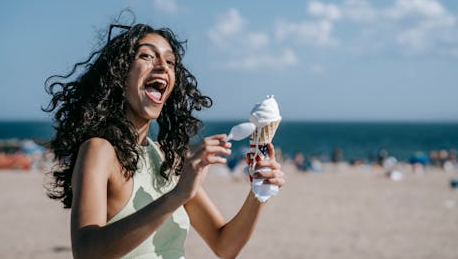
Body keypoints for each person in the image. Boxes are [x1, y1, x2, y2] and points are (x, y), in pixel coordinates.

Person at [44, 22, 285, 259]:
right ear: (119, 74)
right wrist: (178, 195)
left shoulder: (166, 158)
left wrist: (258, 193)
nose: (162, 66)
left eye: (170, 62)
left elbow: (225, 246)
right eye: (147, 56)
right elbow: (86, 252)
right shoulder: (99, 150)